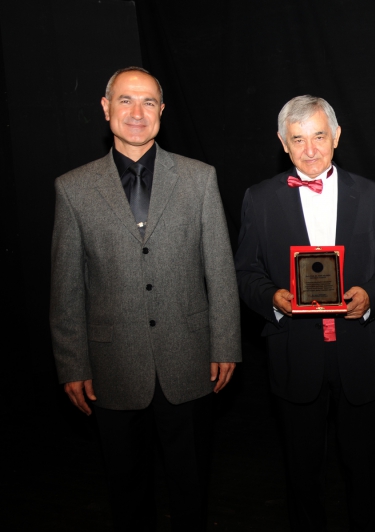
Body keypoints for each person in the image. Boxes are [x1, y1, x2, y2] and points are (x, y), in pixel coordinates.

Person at [50, 66, 241, 530]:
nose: (137, 112)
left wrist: (226, 345)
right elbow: (66, 286)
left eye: (148, 102)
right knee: (127, 492)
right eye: (125, 100)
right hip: (112, 368)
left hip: (190, 362)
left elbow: (219, 269)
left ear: (162, 110)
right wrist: (72, 364)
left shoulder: (199, 179)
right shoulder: (72, 188)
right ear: (105, 108)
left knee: (191, 490)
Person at [235, 95, 375, 531]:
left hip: (363, 351)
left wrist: (370, 295)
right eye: (298, 139)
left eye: (319, 136)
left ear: (336, 136)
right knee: (302, 475)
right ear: (283, 143)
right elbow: (245, 271)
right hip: (295, 352)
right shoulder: (259, 199)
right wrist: (272, 297)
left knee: (366, 473)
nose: (310, 149)